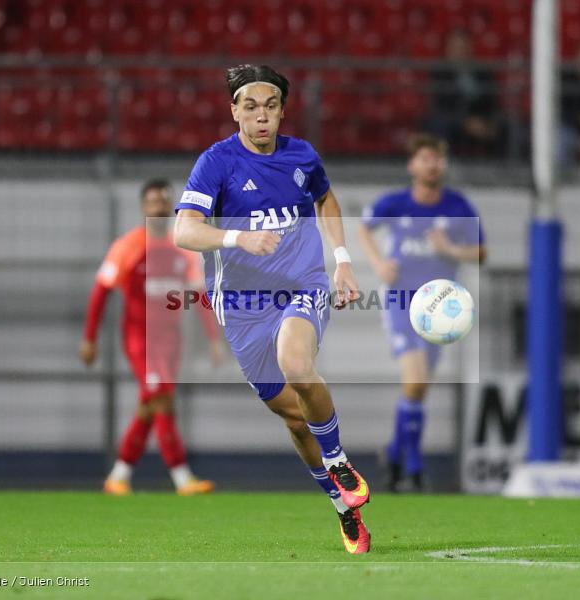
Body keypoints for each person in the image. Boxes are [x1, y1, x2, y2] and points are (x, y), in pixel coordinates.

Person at [172, 64, 371, 554]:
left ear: (283, 111)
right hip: (241, 304)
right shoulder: (216, 163)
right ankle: (343, 507)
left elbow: (325, 198)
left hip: (303, 283)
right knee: (295, 419)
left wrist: (343, 262)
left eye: (271, 107)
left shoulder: (302, 155)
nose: (262, 117)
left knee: (296, 363)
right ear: (234, 111)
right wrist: (239, 236)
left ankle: (340, 460)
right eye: (251, 107)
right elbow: (184, 231)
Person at [357, 133, 485, 492]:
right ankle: (413, 465)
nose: (433, 164)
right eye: (426, 158)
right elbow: (364, 228)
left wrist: (451, 249)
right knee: (414, 381)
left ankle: (396, 454)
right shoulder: (396, 203)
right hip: (400, 302)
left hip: (440, 309)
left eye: (438, 158)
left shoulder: (458, 206)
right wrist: (379, 263)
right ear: (412, 165)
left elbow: (482, 253)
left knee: (417, 389)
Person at [80, 179, 223, 496]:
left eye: (164, 201)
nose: (159, 207)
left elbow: (199, 297)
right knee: (161, 399)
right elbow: (100, 294)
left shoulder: (182, 249)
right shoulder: (128, 247)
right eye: (153, 202)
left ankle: (118, 476)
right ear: (143, 208)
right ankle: (183, 478)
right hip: (140, 339)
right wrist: (89, 338)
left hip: (171, 341)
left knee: (150, 404)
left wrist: (214, 338)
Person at [425, 29, 505, 158]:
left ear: (471, 48)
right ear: (447, 49)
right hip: (453, 119)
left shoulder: (483, 73)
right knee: (441, 125)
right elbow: (441, 105)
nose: (459, 52)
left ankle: (503, 167)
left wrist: (489, 122)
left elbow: (493, 103)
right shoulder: (439, 74)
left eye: (463, 47)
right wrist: (465, 122)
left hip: (481, 118)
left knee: (508, 126)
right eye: (455, 47)